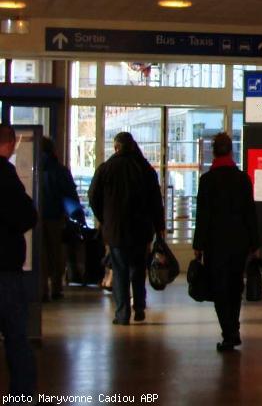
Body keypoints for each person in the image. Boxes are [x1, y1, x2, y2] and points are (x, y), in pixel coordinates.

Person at [193, 132, 259, 352]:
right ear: (231, 151)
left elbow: (202, 216)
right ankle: (234, 328)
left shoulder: (207, 181)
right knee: (235, 285)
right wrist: (254, 243)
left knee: (220, 288)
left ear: (214, 152)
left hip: (215, 242)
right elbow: (251, 212)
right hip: (239, 241)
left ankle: (229, 332)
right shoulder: (242, 179)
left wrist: (198, 245)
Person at [89, 132, 164, 325]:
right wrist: (159, 228)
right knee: (138, 270)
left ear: (116, 147)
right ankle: (139, 307)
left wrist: (104, 218)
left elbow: (93, 196)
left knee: (120, 270)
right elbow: (156, 202)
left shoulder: (106, 169)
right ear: (133, 146)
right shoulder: (145, 169)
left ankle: (122, 314)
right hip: (141, 230)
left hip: (116, 230)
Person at [0, 124, 38, 397]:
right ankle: (22, 396)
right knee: (15, 336)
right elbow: (26, 214)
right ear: (10, 143)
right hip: (5, 267)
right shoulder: (5, 174)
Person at [39, 136, 81, 301]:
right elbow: (70, 194)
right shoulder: (60, 170)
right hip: (56, 218)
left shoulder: (33, 167)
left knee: (40, 254)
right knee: (56, 253)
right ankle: (56, 287)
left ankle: (42, 289)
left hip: (36, 218)